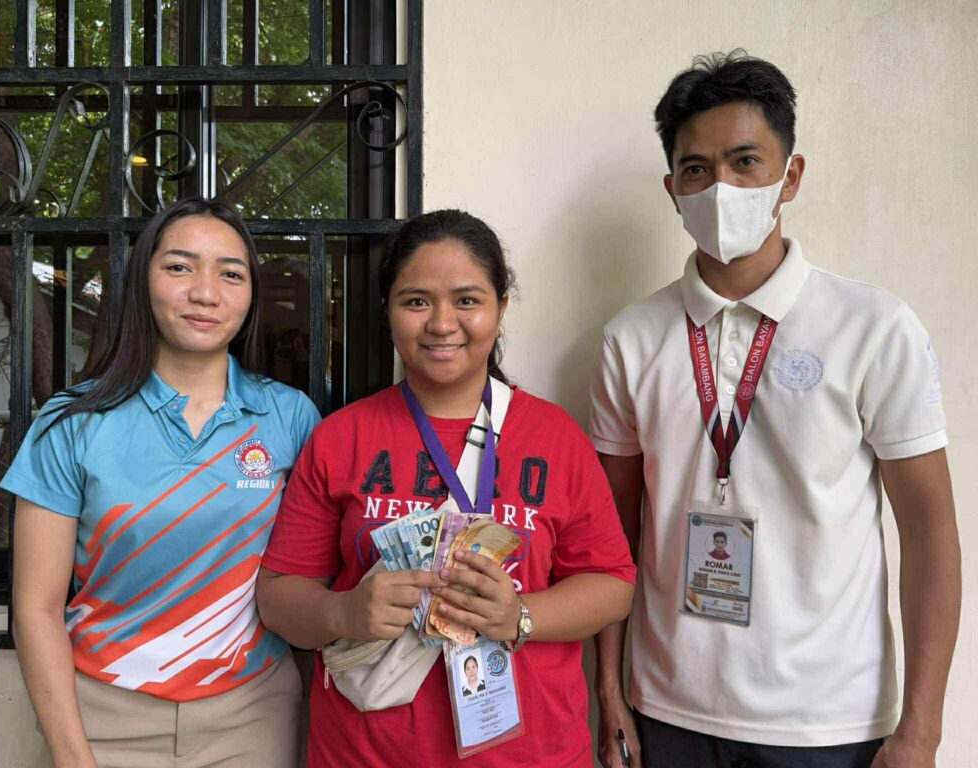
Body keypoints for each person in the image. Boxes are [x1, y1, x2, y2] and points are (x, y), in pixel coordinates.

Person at [592, 51, 961, 768]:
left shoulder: (874, 328)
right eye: (696, 170)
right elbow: (612, 534)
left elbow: (930, 534)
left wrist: (922, 731)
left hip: (828, 724)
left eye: (745, 162)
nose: (720, 188)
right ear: (673, 190)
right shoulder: (630, 339)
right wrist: (609, 689)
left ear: (790, 176)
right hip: (668, 709)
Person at [256, 209, 636, 767]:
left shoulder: (555, 438)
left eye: (466, 300)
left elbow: (613, 585)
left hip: (532, 754)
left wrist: (520, 616)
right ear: (387, 310)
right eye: (416, 301)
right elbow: (277, 596)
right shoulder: (341, 437)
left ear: (500, 309)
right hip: (365, 753)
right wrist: (343, 612)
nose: (441, 323)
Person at [3, 198, 320, 768]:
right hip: (100, 715)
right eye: (179, 267)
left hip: (254, 715)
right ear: (141, 281)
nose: (205, 292)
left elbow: (305, 582)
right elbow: (36, 608)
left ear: (251, 295)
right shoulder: (71, 422)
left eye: (231, 274)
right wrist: (73, 757)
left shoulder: (290, 417)